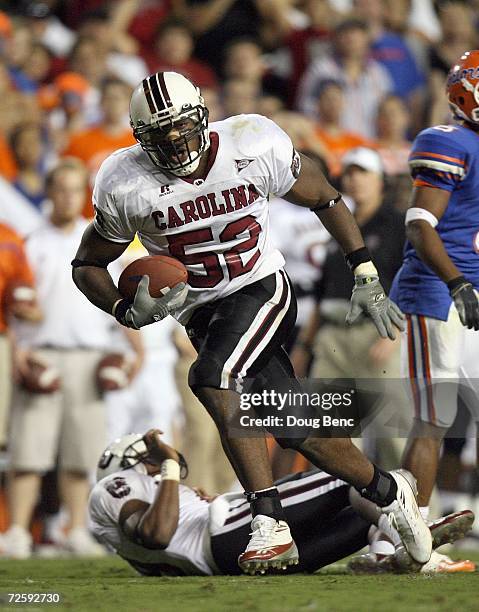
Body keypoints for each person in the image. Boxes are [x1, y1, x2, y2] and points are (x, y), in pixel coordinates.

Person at [71, 70, 431, 574]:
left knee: (212, 376)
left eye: (182, 128)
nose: (175, 143)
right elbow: (86, 264)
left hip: (261, 287)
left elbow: (325, 196)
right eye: (160, 136)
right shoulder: (124, 181)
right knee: (293, 428)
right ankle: (390, 493)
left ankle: (269, 522)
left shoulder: (251, 141)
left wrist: (363, 269)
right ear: (141, 139)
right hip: (202, 313)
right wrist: (122, 309)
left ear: (202, 115)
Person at [88, 429, 474, 576]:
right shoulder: (115, 487)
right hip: (228, 536)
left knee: (360, 508)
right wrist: (169, 464)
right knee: (366, 479)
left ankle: (389, 554)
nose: (155, 466)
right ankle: (410, 542)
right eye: (148, 460)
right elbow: (157, 534)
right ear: (127, 465)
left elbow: (162, 540)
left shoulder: (138, 522)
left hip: (240, 561)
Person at [2, 159, 140, 559]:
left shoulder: (100, 242)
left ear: (85, 194)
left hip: (92, 355)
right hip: (42, 352)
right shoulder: (30, 241)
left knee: (82, 453)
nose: (67, 197)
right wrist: (19, 351)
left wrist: (129, 352)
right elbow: (14, 304)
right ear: (49, 192)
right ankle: (16, 531)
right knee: (29, 450)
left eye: (74, 189)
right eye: (60, 188)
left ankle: (75, 529)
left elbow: (118, 301)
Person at [374, 49, 479, 573]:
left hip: (466, 292)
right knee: (432, 419)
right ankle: (411, 543)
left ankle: (391, 538)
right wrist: (459, 283)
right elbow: (420, 224)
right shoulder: (448, 141)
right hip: (440, 293)